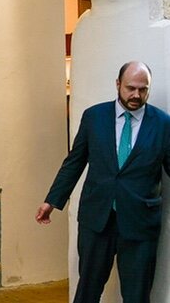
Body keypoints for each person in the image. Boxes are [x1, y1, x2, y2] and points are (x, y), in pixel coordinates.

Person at [36, 61, 170, 303]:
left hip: (140, 223)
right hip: (97, 219)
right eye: (130, 88)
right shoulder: (94, 117)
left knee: (137, 295)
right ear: (118, 84)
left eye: (143, 89)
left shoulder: (163, 124)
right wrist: (52, 200)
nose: (136, 95)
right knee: (87, 289)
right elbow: (74, 162)